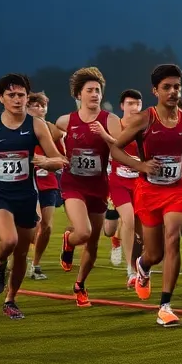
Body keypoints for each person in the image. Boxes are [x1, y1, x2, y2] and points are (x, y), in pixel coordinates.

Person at [105, 65, 182, 328]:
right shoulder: (144, 119)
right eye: (166, 87)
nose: (173, 91)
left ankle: (165, 306)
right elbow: (116, 150)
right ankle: (143, 265)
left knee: (173, 237)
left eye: (176, 87)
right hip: (148, 191)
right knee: (154, 253)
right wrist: (141, 165)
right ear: (155, 90)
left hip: (176, 189)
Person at [0, 73, 65, 319]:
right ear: (1, 98)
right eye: (11, 95)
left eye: (21, 95)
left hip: (26, 196)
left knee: (22, 252)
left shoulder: (37, 125)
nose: (17, 99)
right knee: (10, 240)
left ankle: (10, 300)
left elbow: (59, 159)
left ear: (26, 97)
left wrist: (48, 162)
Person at [57, 67, 124, 307]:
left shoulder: (110, 120)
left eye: (98, 90)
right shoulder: (65, 121)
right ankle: (69, 239)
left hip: (98, 186)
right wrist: (56, 157)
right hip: (73, 184)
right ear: (78, 94)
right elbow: (47, 140)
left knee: (93, 242)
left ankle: (80, 285)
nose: (95, 94)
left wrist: (105, 135)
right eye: (90, 90)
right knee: (83, 232)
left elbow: (120, 148)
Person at [106, 89, 145, 286]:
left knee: (141, 232)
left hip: (139, 184)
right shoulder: (115, 127)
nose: (134, 107)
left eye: (137, 104)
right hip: (118, 182)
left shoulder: (144, 128)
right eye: (130, 103)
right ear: (122, 106)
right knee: (127, 220)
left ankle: (138, 267)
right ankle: (130, 271)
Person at [26, 92, 60, 280]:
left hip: (48, 182)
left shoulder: (52, 130)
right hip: (25, 183)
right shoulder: (19, 129)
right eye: (35, 105)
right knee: (34, 223)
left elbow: (61, 157)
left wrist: (48, 161)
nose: (40, 109)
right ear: (26, 108)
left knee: (46, 227)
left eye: (43, 106)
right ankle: (18, 254)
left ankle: (35, 264)